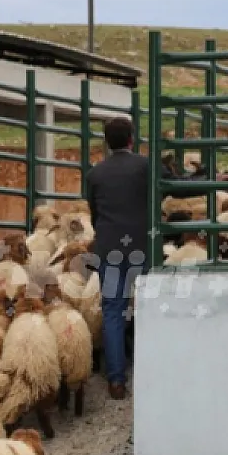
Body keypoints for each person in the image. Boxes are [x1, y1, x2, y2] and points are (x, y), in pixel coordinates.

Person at [85, 116, 151, 400]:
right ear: (131, 139)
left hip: (110, 248)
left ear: (107, 142)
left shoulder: (95, 174)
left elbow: (94, 213)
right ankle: (152, 369)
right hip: (141, 246)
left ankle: (116, 381)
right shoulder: (144, 166)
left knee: (113, 309)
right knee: (148, 305)